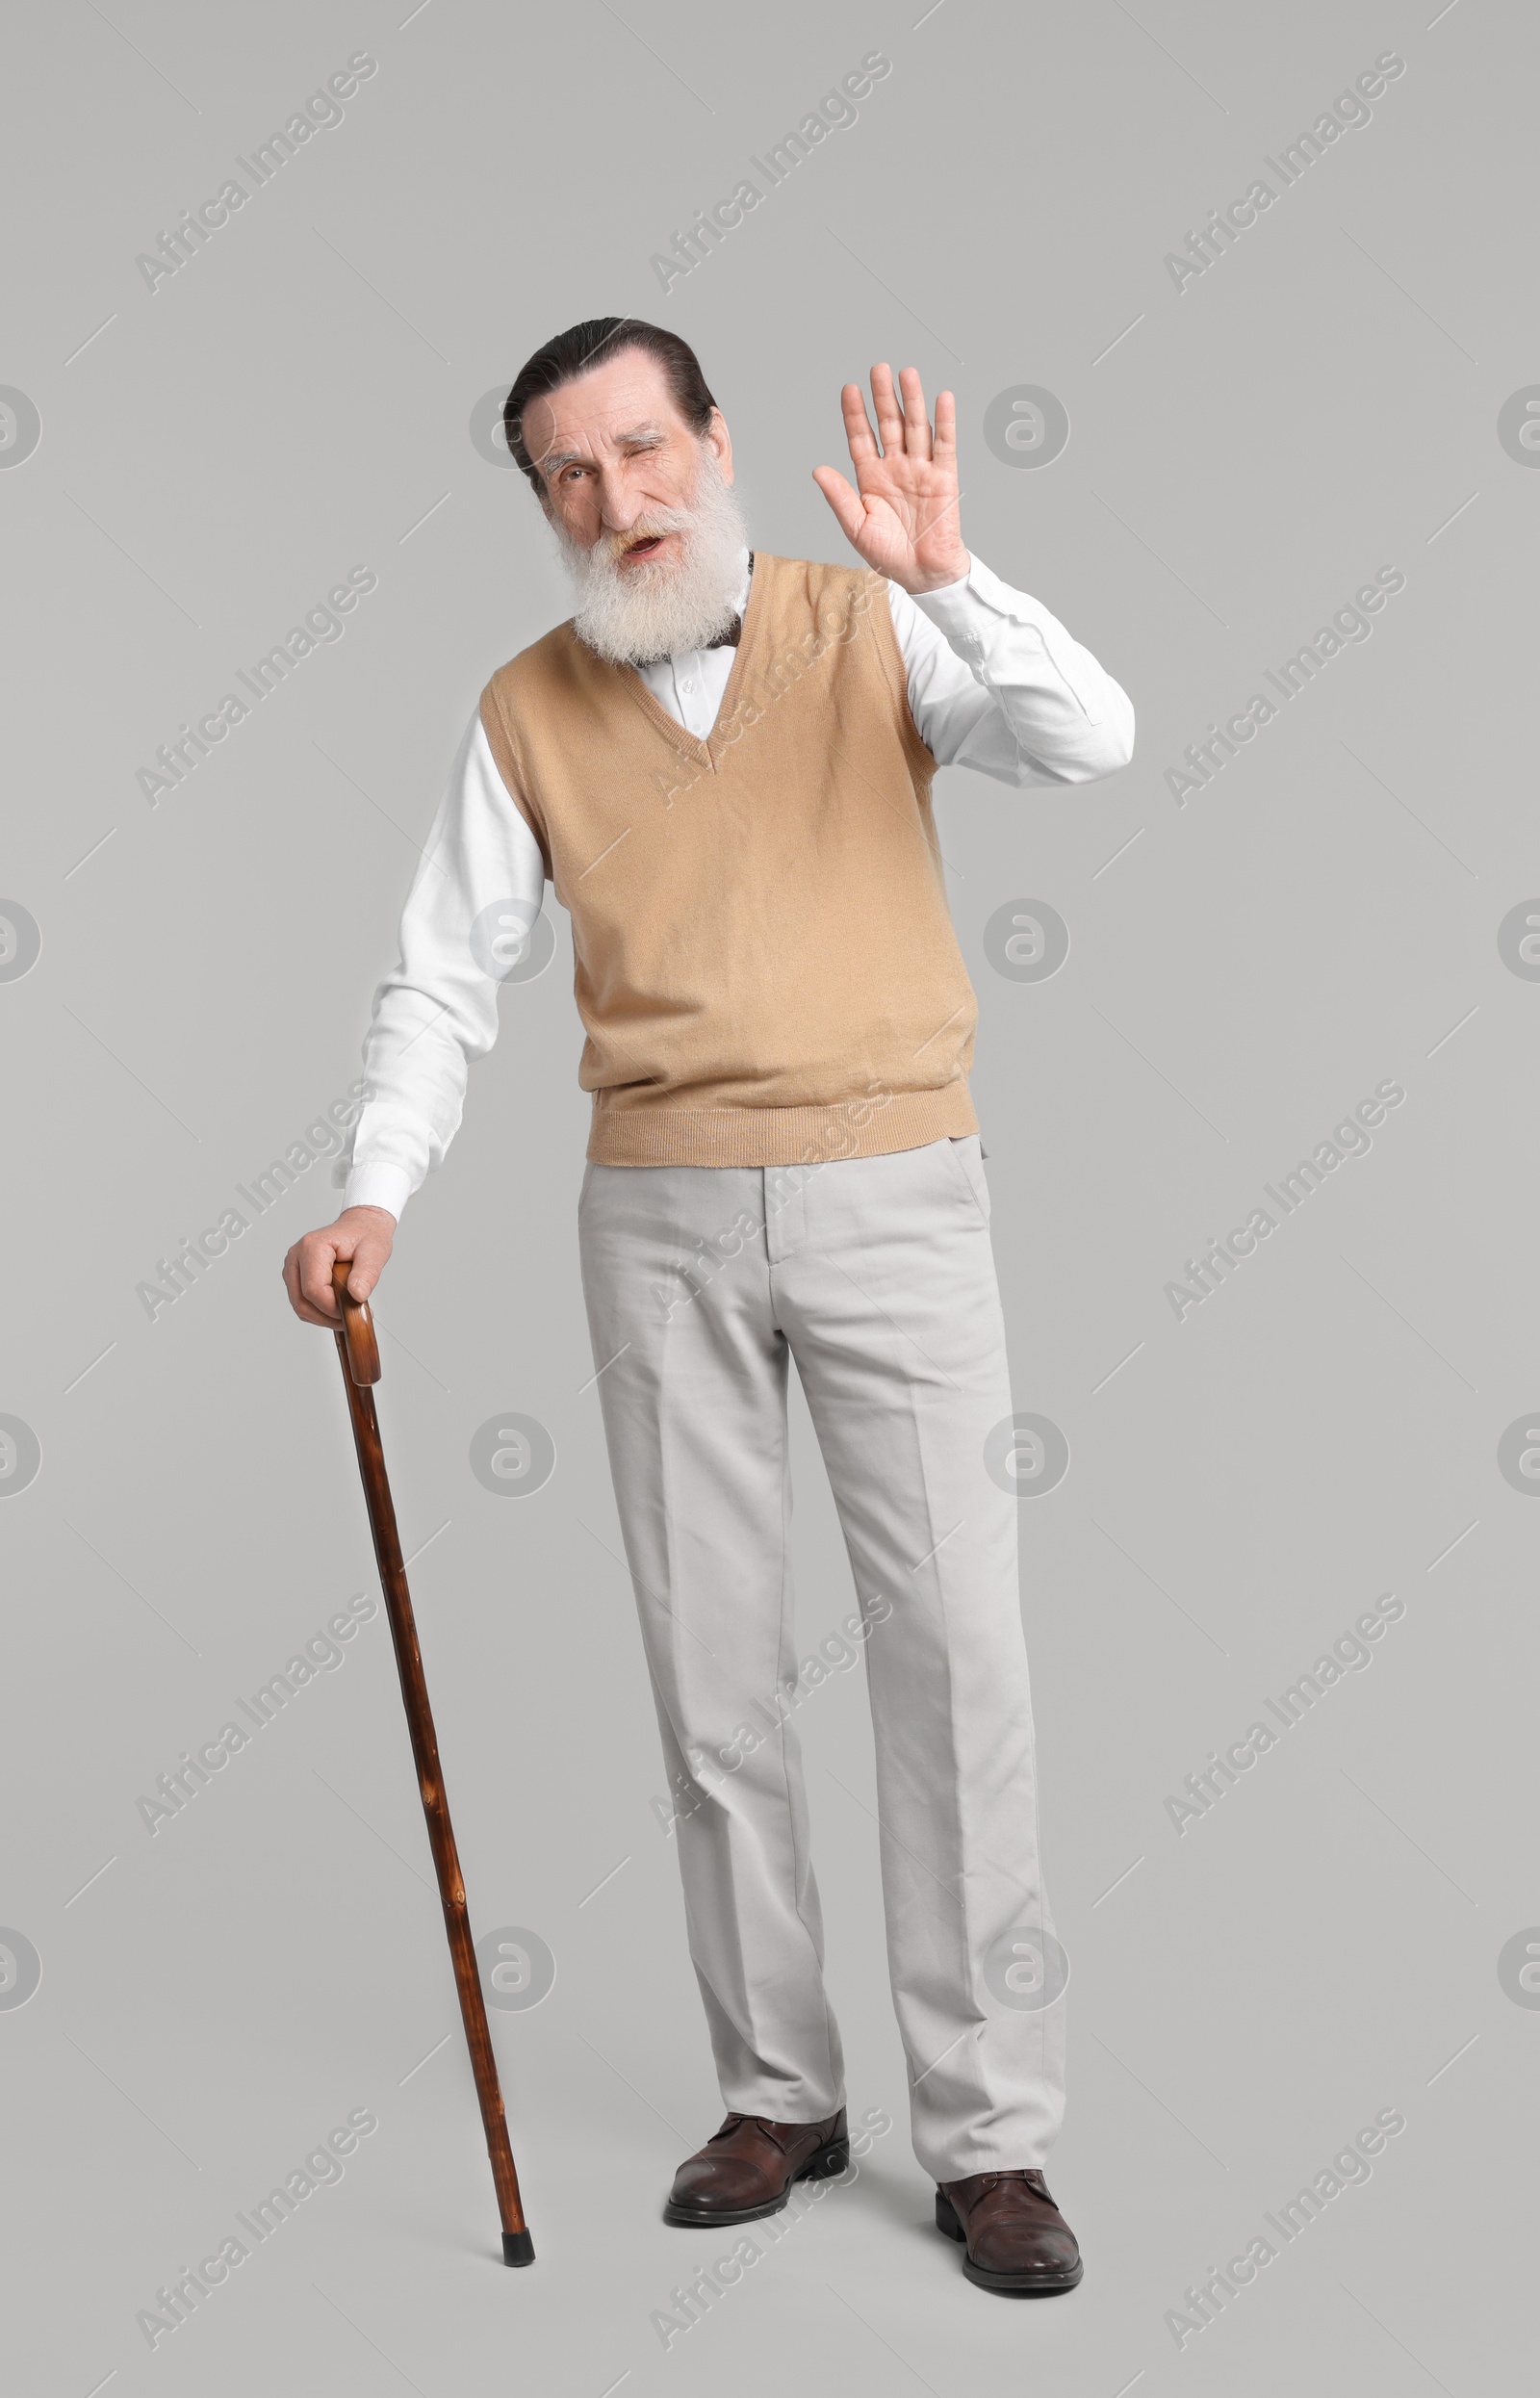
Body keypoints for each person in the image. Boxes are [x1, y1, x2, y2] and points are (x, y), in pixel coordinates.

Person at [283, 318, 1134, 2295]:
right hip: (654, 1217)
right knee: (712, 1670)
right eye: (570, 474)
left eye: (644, 447)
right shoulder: (521, 711)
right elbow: (439, 979)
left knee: (954, 1663)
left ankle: (989, 2138)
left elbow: (1085, 737)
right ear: (543, 504)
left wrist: (952, 575)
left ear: (712, 441)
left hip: (893, 1196)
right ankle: (777, 2087)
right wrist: (371, 1195)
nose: (619, 497)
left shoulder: (870, 627)